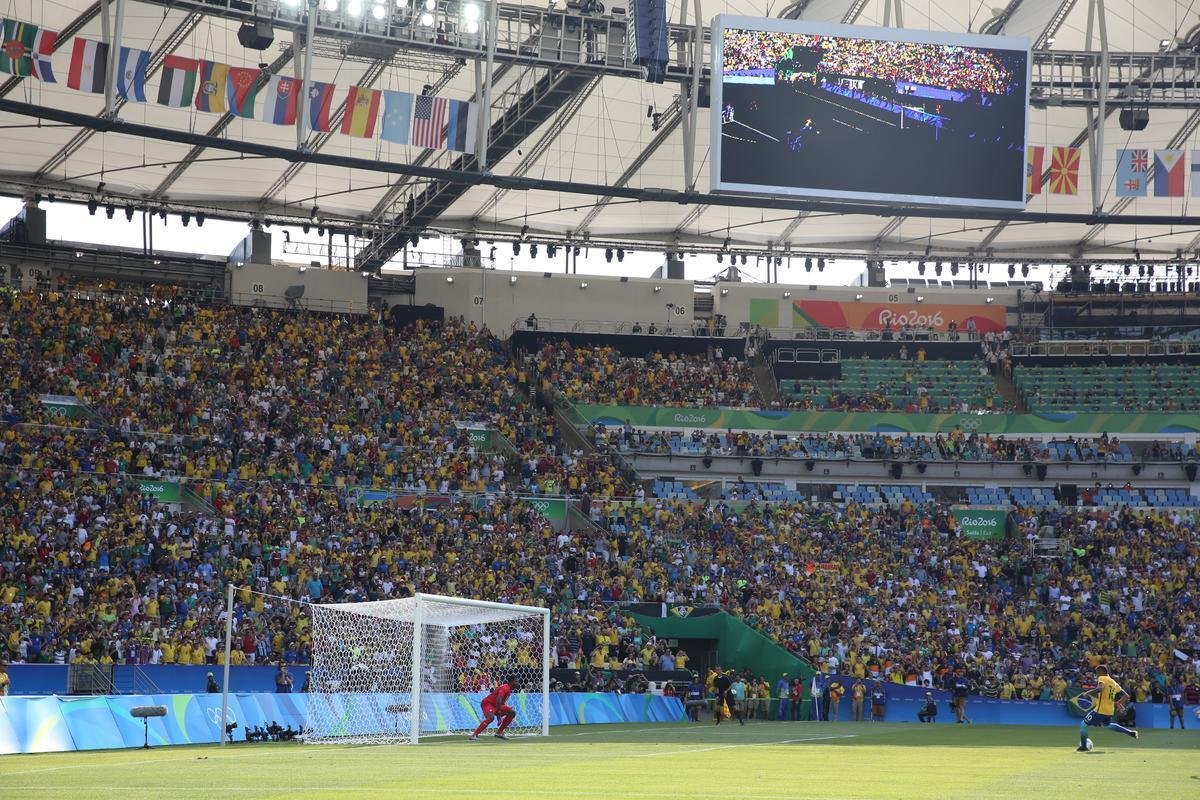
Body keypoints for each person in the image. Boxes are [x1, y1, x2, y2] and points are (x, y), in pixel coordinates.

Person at [1076, 665, 1138, 751]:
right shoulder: (1114, 682)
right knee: (1107, 725)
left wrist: (1088, 692)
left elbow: (1100, 688)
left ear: (1101, 672)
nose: (1097, 675)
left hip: (1100, 710)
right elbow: (1126, 696)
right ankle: (1129, 732)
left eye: (1097, 673)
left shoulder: (1102, 678)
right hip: (1109, 711)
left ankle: (1083, 746)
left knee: (1084, 724)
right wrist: (1118, 703)